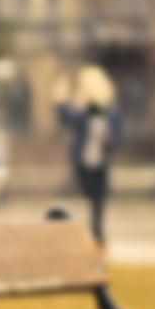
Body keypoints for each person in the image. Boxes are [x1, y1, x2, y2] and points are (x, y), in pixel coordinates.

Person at [54, 66, 123, 243]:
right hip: (83, 160)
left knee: (100, 197)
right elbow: (67, 118)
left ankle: (97, 229)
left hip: (101, 160)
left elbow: (118, 136)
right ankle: (89, 228)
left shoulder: (110, 113)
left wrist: (110, 140)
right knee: (90, 192)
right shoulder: (84, 113)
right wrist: (60, 100)